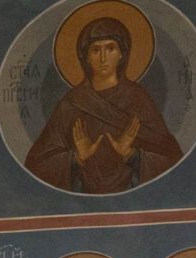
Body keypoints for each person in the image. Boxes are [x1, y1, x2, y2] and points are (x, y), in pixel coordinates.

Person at [22, 16, 182, 194]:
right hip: (81, 199)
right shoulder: (71, 103)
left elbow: (173, 160)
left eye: (110, 48)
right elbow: (36, 165)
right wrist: (77, 158)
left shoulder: (138, 99)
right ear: (86, 57)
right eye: (96, 50)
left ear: (121, 54)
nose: (103, 57)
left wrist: (131, 155)